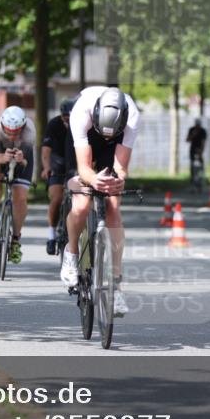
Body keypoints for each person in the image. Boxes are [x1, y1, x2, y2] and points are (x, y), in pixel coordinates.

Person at [59, 86, 141, 318]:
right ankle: (72, 254)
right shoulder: (80, 113)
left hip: (113, 147)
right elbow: (84, 168)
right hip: (84, 141)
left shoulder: (132, 116)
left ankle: (115, 285)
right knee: (82, 202)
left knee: (114, 207)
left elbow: (121, 168)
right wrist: (94, 179)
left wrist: (117, 181)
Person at [0, 106, 35, 264]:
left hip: (21, 157)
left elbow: (25, 162)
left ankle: (16, 240)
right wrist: (4, 157)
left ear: (23, 126)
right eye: (9, 131)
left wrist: (20, 159)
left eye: (16, 131)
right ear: (3, 125)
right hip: (0, 153)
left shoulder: (29, 133)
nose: (12, 134)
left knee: (19, 197)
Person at [41, 97, 76, 255]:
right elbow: (46, 150)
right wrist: (47, 167)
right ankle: (51, 235)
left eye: (70, 118)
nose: (67, 121)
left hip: (75, 162)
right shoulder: (54, 124)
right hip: (57, 162)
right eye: (65, 118)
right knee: (56, 198)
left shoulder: (81, 124)